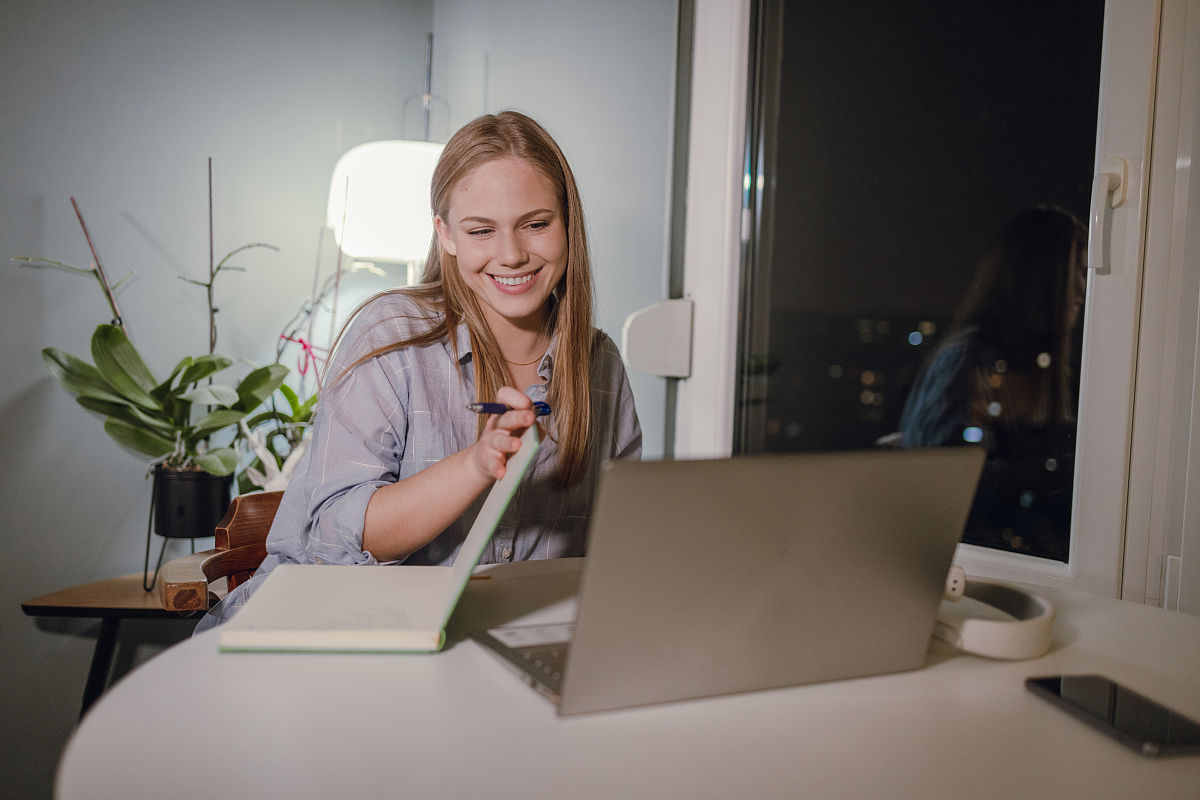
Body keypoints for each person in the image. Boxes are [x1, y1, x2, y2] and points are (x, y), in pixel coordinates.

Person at [195, 111, 642, 631]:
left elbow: (619, 542)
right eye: (481, 230)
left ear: (568, 224)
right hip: (318, 630)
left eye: (536, 224)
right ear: (445, 234)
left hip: (481, 647)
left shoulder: (599, 363)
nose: (513, 254)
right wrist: (475, 465)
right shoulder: (390, 334)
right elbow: (333, 538)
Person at [898, 205, 1087, 561]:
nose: (1082, 288)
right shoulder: (968, 360)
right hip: (965, 562)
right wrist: (1062, 472)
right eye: (1076, 271)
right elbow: (944, 481)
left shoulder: (1037, 366)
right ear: (1039, 275)